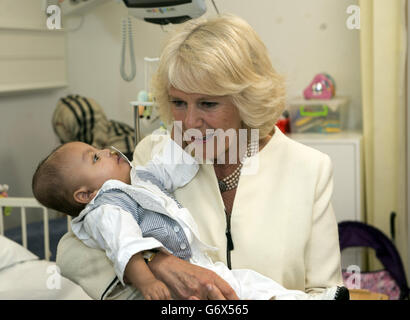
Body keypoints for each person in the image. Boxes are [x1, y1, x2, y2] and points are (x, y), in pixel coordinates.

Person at [53, 14, 344, 300]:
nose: (190, 122)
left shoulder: (308, 169)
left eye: (207, 103)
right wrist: (158, 262)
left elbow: (323, 291)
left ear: (246, 100)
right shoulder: (154, 157)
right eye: (179, 102)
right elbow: (72, 250)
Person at [32, 138, 347, 300]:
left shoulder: (138, 178)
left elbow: (171, 166)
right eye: (95, 157)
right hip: (188, 284)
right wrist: (151, 272)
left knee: (251, 284)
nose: (108, 150)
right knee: (242, 287)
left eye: (208, 102)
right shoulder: (108, 207)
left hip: (203, 265)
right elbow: (121, 246)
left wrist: (191, 143)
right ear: (84, 195)